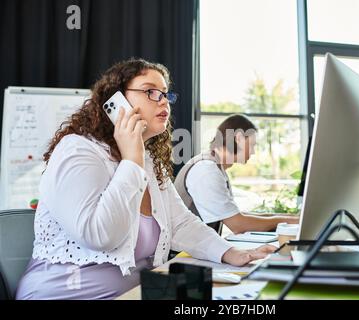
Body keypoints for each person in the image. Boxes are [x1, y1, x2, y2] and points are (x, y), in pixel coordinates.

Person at [15, 58, 275, 300]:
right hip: (66, 294)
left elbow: (182, 223)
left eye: (165, 94)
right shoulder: (77, 150)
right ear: (116, 102)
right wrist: (131, 160)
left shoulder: (146, 160)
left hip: (138, 291)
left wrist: (232, 253)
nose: (163, 101)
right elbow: (99, 235)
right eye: (151, 91)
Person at [174, 114, 299, 235]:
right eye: (251, 145)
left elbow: (237, 215)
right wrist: (289, 221)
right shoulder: (207, 170)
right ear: (238, 138)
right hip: (182, 254)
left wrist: (289, 218)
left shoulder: (215, 166)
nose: (253, 151)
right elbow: (238, 225)